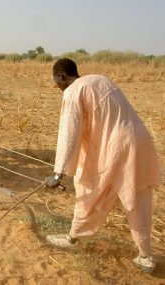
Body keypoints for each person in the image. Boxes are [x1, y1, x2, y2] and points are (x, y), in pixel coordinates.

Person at [45, 58, 161, 273]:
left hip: (116, 146)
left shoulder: (72, 92)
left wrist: (58, 173)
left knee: (90, 189)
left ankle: (73, 237)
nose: (57, 87)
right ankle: (146, 256)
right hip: (140, 139)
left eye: (56, 82)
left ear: (61, 76)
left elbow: (69, 134)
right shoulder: (100, 79)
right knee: (137, 198)